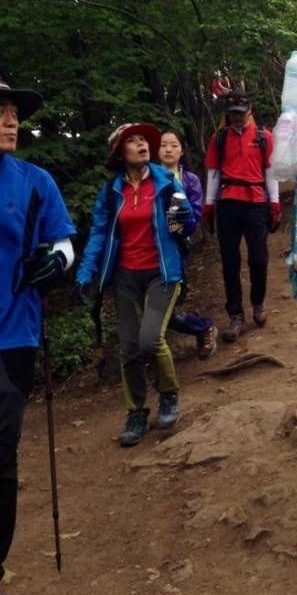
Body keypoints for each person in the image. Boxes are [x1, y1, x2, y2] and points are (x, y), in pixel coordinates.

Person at [0, 77, 76, 585]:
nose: (10, 120)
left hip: (14, 337)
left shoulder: (34, 181)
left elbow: (64, 241)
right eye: (0, 112)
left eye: (12, 112)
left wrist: (56, 262)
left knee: (1, 457)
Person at [76, 123, 193, 447]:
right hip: (126, 276)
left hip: (162, 272)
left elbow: (188, 224)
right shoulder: (112, 192)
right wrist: (85, 273)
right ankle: (137, 412)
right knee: (128, 347)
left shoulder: (166, 181)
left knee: (150, 338)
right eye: (133, 141)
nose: (142, 144)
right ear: (120, 152)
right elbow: (99, 234)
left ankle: (168, 395)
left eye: (144, 140)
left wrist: (185, 218)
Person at [203, 90, 281, 342]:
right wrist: (208, 205)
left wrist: (275, 203)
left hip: (256, 202)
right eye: (232, 114)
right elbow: (214, 173)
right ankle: (235, 315)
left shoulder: (263, 137)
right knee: (229, 262)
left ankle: (258, 302)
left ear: (250, 111)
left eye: (241, 114)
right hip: (228, 203)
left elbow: (270, 172)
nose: (237, 118)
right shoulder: (220, 138)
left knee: (258, 259)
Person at [158, 128, 218, 358]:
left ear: (181, 150)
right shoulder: (148, 179)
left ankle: (202, 327)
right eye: (163, 145)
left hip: (176, 248)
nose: (168, 149)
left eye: (173, 145)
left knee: (166, 305)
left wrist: (179, 220)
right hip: (148, 250)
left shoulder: (189, 180)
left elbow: (194, 218)